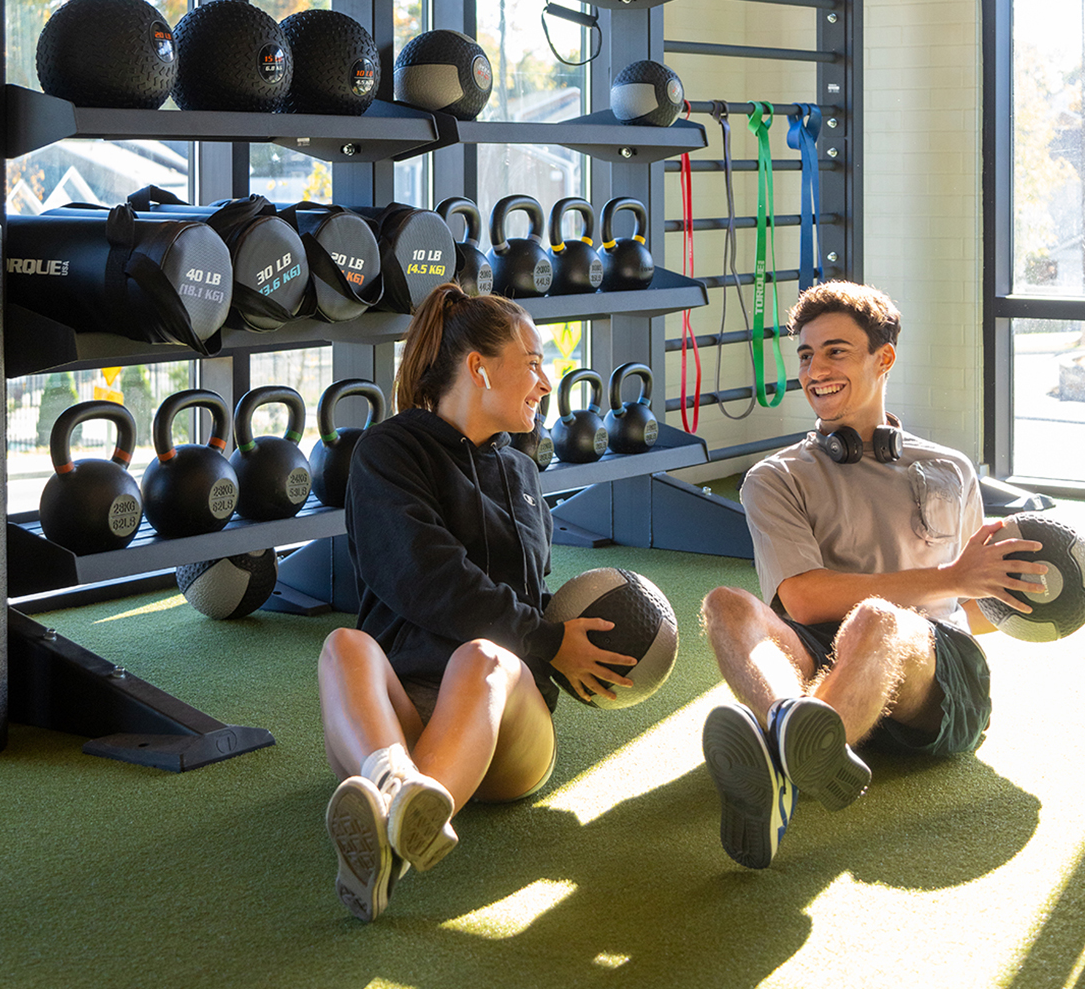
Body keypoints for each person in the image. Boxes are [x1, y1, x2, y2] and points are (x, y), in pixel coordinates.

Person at [317, 282, 636, 920]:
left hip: (504, 726)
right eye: (535, 361)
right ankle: (398, 794)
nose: (546, 381)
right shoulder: (387, 452)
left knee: (482, 658)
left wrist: (565, 642)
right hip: (403, 717)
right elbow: (425, 575)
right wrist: (547, 641)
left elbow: (528, 593)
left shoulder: (519, 469)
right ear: (479, 367)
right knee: (344, 646)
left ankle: (391, 819)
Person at [699, 280, 1045, 869]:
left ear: (882, 358)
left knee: (880, 620)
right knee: (726, 604)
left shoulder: (949, 466)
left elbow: (975, 607)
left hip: (933, 672)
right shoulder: (774, 478)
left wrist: (1025, 597)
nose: (815, 369)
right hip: (823, 652)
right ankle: (798, 734)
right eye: (806, 354)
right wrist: (953, 577)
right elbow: (802, 601)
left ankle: (779, 763)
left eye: (836, 350)